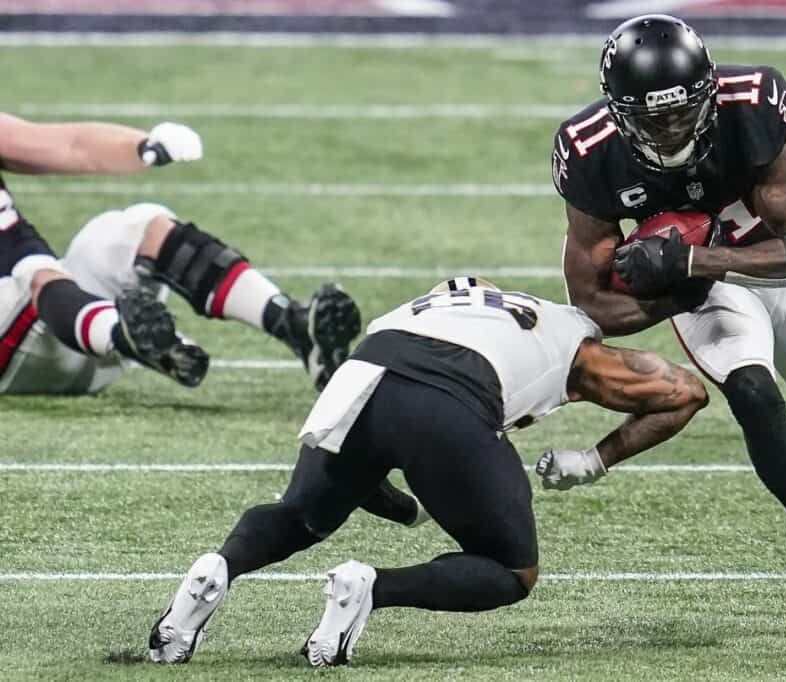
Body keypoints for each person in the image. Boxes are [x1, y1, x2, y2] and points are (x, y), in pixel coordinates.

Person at [554, 15, 786, 650]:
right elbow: (592, 304)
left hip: (775, 265)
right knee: (752, 394)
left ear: (710, 93)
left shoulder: (753, 107)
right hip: (707, 290)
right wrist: (683, 290)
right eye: (651, 118)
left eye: (682, 112)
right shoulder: (591, 152)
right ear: (619, 113)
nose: (670, 128)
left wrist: (692, 260)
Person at [148, 277, 708, 667]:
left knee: (301, 515)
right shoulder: (578, 346)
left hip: (364, 370)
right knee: (512, 571)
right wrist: (593, 459)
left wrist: (411, 509)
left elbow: (369, 470)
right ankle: (370, 589)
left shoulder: (467, 297)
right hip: (449, 394)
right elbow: (686, 393)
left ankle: (220, 566)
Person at [0, 113, 359, 394]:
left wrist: (144, 146)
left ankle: (292, 326)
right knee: (34, 271)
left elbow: (71, 144)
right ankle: (130, 336)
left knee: (131, 225)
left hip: (70, 332)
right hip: (15, 350)